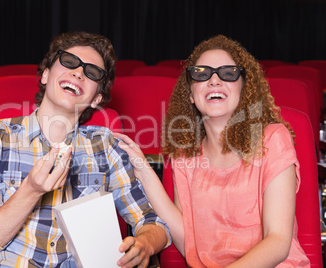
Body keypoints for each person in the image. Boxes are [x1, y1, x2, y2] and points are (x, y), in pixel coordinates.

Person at [0, 31, 170, 268]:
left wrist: (145, 244)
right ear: (46, 75)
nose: (78, 73)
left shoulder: (106, 146)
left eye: (92, 72)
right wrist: (30, 190)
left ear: (96, 99)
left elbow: (154, 222)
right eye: (69, 62)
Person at [115, 34, 311, 267]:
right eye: (202, 74)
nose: (214, 80)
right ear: (190, 94)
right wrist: (144, 170)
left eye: (228, 73)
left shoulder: (272, 138)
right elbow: (189, 241)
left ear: (244, 88)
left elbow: (277, 241)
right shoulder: (184, 153)